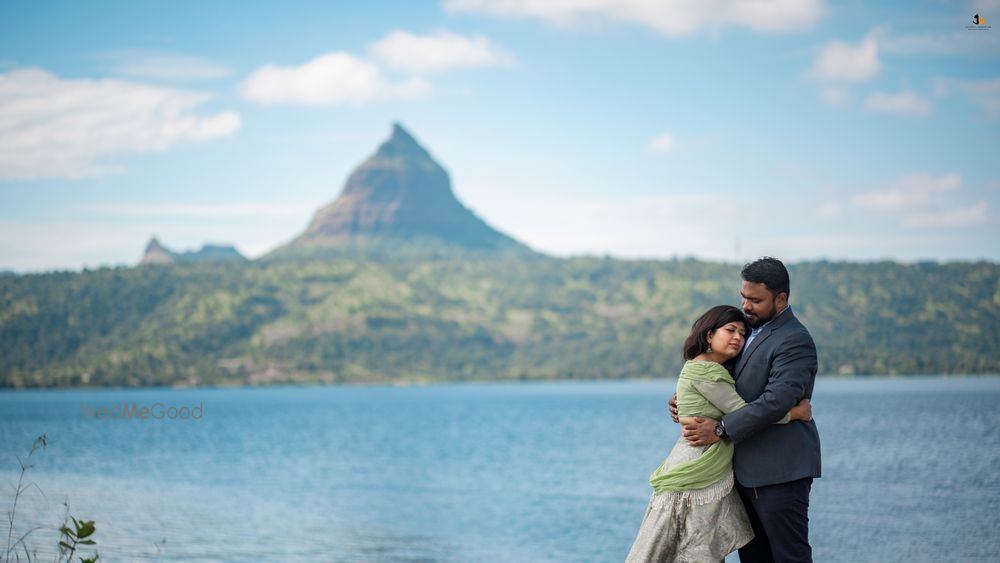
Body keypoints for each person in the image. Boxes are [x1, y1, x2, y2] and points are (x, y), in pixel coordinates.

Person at [626, 305, 811, 563]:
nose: (738, 337)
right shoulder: (708, 372)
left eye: (742, 333)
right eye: (730, 330)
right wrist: (795, 414)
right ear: (709, 335)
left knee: (680, 547)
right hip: (698, 465)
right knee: (691, 550)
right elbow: (744, 412)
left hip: (699, 463)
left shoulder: (703, 368)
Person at [675, 257, 821, 563]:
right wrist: (685, 401)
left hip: (780, 470)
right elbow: (718, 381)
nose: (747, 305)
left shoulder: (794, 340)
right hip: (742, 474)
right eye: (744, 297)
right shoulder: (744, 334)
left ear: (781, 299)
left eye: (756, 300)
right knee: (754, 559)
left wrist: (720, 429)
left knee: (789, 557)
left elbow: (775, 402)